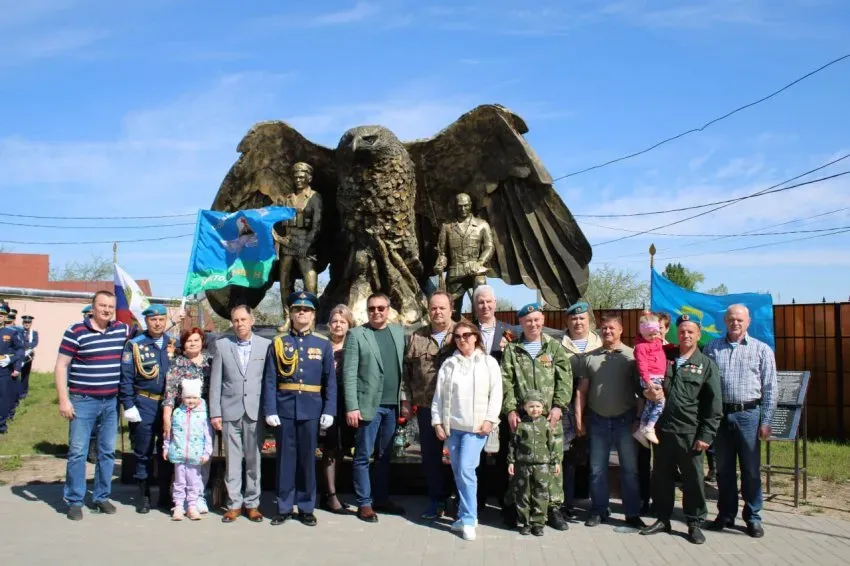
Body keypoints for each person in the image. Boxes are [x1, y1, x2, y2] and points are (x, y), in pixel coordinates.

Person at [641, 314, 722, 544]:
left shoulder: (706, 365)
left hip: (690, 433)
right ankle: (662, 518)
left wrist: (706, 435)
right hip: (663, 430)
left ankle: (694, 522)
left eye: (690, 331)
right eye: (682, 331)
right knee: (661, 477)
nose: (685, 335)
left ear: (698, 334)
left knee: (693, 479)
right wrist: (646, 392)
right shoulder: (665, 357)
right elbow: (646, 380)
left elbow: (714, 405)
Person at [55, 291, 134, 520]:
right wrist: (63, 399)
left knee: (107, 452)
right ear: (93, 306)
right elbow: (61, 366)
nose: (107, 310)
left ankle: (100, 496)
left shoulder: (121, 329)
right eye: (102, 305)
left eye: (110, 306)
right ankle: (75, 500)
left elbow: (150, 333)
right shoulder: (75, 332)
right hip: (83, 401)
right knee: (78, 452)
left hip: (111, 402)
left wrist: (175, 321)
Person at [704, 304, 777, 538]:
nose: (735, 323)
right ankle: (725, 514)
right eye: (731, 319)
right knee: (724, 470)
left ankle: (753, 517)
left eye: (740, 320)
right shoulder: (713, 348)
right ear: (724, 321)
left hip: (749, 416)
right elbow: (705, 385)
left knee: (751, 471)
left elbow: (770, 389)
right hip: (721, 417)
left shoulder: (761, 350)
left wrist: (765, 421)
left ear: (748, 322)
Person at [264, 291, 337, 527]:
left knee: (307, 459)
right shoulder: (278, 342)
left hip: (311, 409)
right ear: (291, 314)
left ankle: (306, 506)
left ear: (313, 314)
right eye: (297, 310)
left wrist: (329, 410)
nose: (301, 313)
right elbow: (269, 379)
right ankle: (284, 506)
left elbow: (330, 381)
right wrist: (270, 409)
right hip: (285, 408)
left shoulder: (323, 343)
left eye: (306, 310)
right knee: (285, 460)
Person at [501, 303, 572, 531]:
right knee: (520, 464)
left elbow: (565, 379)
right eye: (528, 320)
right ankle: (519, 508)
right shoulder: (513, 350)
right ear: (521, 323)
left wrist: (559, 407)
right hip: (522, 420)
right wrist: (511, 409)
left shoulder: (554, 348)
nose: (533, 324)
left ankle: (552, 508)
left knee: (551, 462)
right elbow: (506, 382)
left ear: (543, 320)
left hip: (548, 419)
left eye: (537, 320)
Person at [431, 319, 502, 541]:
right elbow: (439, 397)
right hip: (453, 428)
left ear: (476, 337)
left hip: (476, 428)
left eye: (467, 335)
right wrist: (437, 422)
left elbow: (496, 392)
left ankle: (470, 519)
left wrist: (491, 419)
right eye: (458, 336)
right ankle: (462, 515)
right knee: (458, 473)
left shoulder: (488, 362)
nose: (463, 340)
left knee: (465, 470)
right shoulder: (449, 364)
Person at [574, 313, 644, 528]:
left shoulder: (632, 357)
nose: (607, 332)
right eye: (604, 328)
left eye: (612, 328)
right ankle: (598, 509)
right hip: (598, 421)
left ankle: (632, 513)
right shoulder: (590, 358)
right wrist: (579, 420)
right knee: (596, 469)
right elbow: (581, 392)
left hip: (626, 420)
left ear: (621, 330)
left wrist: (639, 419)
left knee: (630, 470)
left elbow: (641, 392)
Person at [343, 292, 407, 523]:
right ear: (367, 311)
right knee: (362, 456)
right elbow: (349, 374)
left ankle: (381, 498)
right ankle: (365, 503)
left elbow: (404, 371)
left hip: (392, 406)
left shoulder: (399, 333)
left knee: (384, 456)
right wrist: (352, 406)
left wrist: (405, 401)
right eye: (372, 309)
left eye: (381, 308)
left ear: (388, 309)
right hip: (368, 406)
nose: (377, 312)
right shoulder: (357, 335)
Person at [209, 305, 271, 524]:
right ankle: (234, 504)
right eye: (235, 320)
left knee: (254, 460)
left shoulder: (266, 346)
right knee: (232, 460)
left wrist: (269, 410)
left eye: (243, 319)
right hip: (230, 410)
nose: (239, 324)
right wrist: (215, 412)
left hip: (255, 411)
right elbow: (215, 382)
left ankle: (253, 504)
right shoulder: (222, 345)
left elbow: (269, 381)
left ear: (252, 320)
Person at [119, 304, 178, 513]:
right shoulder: (134, 345)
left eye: (161, 319)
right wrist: (128, 404)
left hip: (169, 406)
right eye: (153, 320)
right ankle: (143, 495)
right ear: (146, 321)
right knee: (143, 451)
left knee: (167, 451)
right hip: (144, 404)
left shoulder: (174, 343)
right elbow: (126, 378)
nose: (158, 323)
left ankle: (164, 494)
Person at [402, 291, 455, 519]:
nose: (437, 312)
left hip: (458, 409)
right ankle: (436, 500)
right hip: (426, 406)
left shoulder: (463, 333)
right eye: (433, 308)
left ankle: (459, 501)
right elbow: (407, 372)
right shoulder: (418, 337)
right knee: (431, 458)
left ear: (451, 309)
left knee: (459, 458)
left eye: (442, 308)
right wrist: (406, 400)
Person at [162, 327, 212, 513]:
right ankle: (180, 499)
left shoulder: (210, 362)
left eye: (196, 340)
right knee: (181, 461)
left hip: (203, 418)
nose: (193, 343)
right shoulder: (177, 364)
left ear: (202, 342)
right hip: (183, 419)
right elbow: (170, 393)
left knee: (201, 458)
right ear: (183, 344)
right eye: (189, 340)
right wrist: (167, 418)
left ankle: (198, 496)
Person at [471, 284, 513, 509]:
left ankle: (504, 502)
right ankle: (477, 502)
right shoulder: (467, 331)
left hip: (502, 402)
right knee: (475, 453)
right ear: (475, 306)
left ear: (495, 303)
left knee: (503, 452)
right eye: (480, 302)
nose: (485, 306)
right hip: (475, 403)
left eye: (488, 301)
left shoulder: (510, 331)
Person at [559, 300, 602, 518]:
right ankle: (566, 504)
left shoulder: (600, 343)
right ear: (567, 321)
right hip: (567, 405)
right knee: (567, 456)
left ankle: (596, 505)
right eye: (573, 318)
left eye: (582, 318)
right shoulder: (558, 344)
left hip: (595, 405)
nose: (578, 322)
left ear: (589, 320)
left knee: (595, 456)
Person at [318, 304, 357, 515]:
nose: (338, 325)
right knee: (329, 448)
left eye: (342, 321)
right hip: (324, 404)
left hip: (346, 403)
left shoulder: (353, 346)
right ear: (329, 325)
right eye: (334, 321)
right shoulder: (322, 346)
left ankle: (330, 492)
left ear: (349, 324)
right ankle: (330, 495)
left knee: (340, 449)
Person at [508, 390, 562, 537]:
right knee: (523, 493)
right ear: (525, 407)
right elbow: (513, 444)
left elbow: (552, 444)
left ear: (543, 408)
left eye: (538, 406)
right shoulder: (521, 426)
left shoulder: (546, 425)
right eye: (531, 406)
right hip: (523, 464)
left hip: (542, 465)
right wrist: (511, 461)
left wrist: (555, 462)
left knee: (541, 494)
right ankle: (525, 522)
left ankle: (538, 523)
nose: (535, 409)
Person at [434, 193, 495, 316]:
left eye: (466, 206)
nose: (463, 209)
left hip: (474, 269)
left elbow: (489, 247)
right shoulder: (447, 226)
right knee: (452, 310)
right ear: (455, 207)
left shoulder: (482, 225)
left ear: (470, 206)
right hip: (455, 271)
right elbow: (442, 252)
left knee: (481, 286)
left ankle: (479, 326)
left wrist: (479, 263)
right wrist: (440, 263)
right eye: (460, 206)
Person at [163, 379, 212, 521]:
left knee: (194, 482)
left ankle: (192, 506)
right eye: (188, 397)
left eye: (194, 397)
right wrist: (166, 448)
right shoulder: (177, 413)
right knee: (179, 482)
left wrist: (206, 453)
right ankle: (178, 506)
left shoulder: (203, 415)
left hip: (195, 456)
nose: (191, 401)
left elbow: (207, 436)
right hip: (178, 454)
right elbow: (169, 433)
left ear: (199, 398)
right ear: (182, 398)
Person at [633, 311, 668, 447]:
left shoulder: (657, 342)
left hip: (657, 376)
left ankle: (641, 429)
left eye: (656, 333)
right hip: (651, 378)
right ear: (642, 333)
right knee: (660, 402)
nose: (654, 336)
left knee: (650, 404)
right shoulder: (641, 347)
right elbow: (642, 365)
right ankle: (650, 427)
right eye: (650, 334)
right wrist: (648, 381)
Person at [0, 303, 24, 435]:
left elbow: (20, 350)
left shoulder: (11, 332)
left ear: (5, 317)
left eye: (2, 315)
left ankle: (1, 424)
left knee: (3, 397)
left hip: (3, 369)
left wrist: (12, 360)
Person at [19, 315, 38, 401]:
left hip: (27, 356)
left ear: (31, 323)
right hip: (18, 355)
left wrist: (25, 345)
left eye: (28, 322)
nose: (27, 324)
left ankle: (23, 392)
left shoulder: (34, 333)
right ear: (23, 323)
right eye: (25, 322)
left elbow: (35, 343)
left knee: (25, 374)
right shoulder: (18, 331)